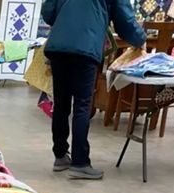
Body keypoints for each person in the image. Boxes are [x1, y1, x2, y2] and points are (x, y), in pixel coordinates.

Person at [41, 0, 146, 180]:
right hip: (85, 47)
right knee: (82, 105)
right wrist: (141, 39)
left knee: (61, 103)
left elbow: (48, 12)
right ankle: (80, 163)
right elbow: (124, 20)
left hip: (58, 46)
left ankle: (60, 156)